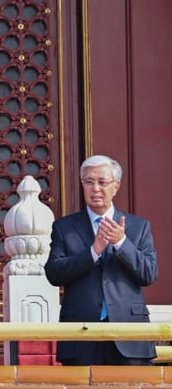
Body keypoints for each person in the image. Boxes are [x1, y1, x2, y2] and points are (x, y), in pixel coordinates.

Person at [44, 154, 158, 365]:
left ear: (116, 186)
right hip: (81, 332)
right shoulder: (64, 227)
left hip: (129, 331)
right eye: (89, 182)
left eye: (102, 182)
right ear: (82, 184)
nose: (95, 188)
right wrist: (93, 252)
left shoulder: (138, 226)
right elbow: (54, 273)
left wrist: (121, 243)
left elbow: (149, 273)